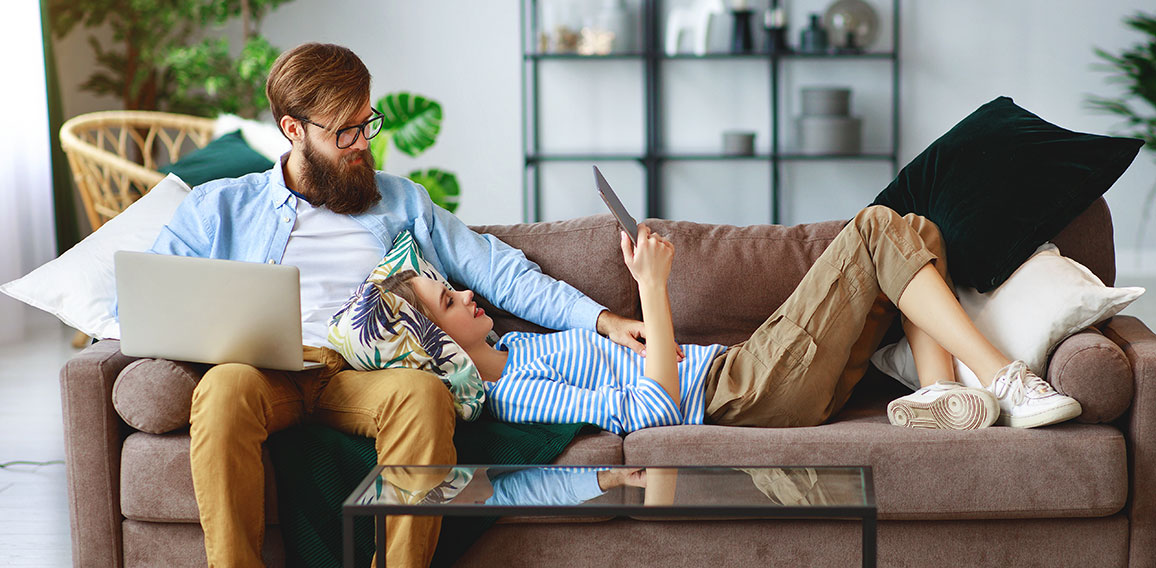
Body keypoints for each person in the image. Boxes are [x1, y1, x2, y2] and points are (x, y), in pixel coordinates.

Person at [146, 43, 647, 568]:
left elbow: (496, 268)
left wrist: (602, 319)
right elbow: (149, 296)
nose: (363, 144)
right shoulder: (220, 208)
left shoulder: (401, 201)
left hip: (361, 376)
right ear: (294, 130)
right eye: (345, 132)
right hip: (265, 371)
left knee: (423, 393)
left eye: (368, 123)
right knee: (223, 388)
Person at [388, 207, 1084, 436]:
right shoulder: (514, 392)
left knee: (916, 230)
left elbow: (631, 367)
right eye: (450, 303)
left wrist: (614, 325)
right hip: (734, 393)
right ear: (434, 345)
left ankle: (937, 396)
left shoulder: (515, 347)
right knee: (878, 228)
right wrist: (650, 294)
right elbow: (652, 410)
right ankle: (1005, 378)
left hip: (739, 367)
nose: (468, 296)